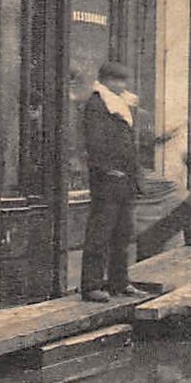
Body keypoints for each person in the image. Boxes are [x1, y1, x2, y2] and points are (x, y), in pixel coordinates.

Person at [81, 61, 142, 302]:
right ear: (106, 81)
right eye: (117, 81)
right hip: (108, 179)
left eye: (123, 81)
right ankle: (92, 285)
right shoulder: (97, 105)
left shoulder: (118, 105)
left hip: (124, 179)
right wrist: (107, 170)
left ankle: (119, 282)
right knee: (101, 232)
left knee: (122, 232)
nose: (122, 85)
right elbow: (94, 143)